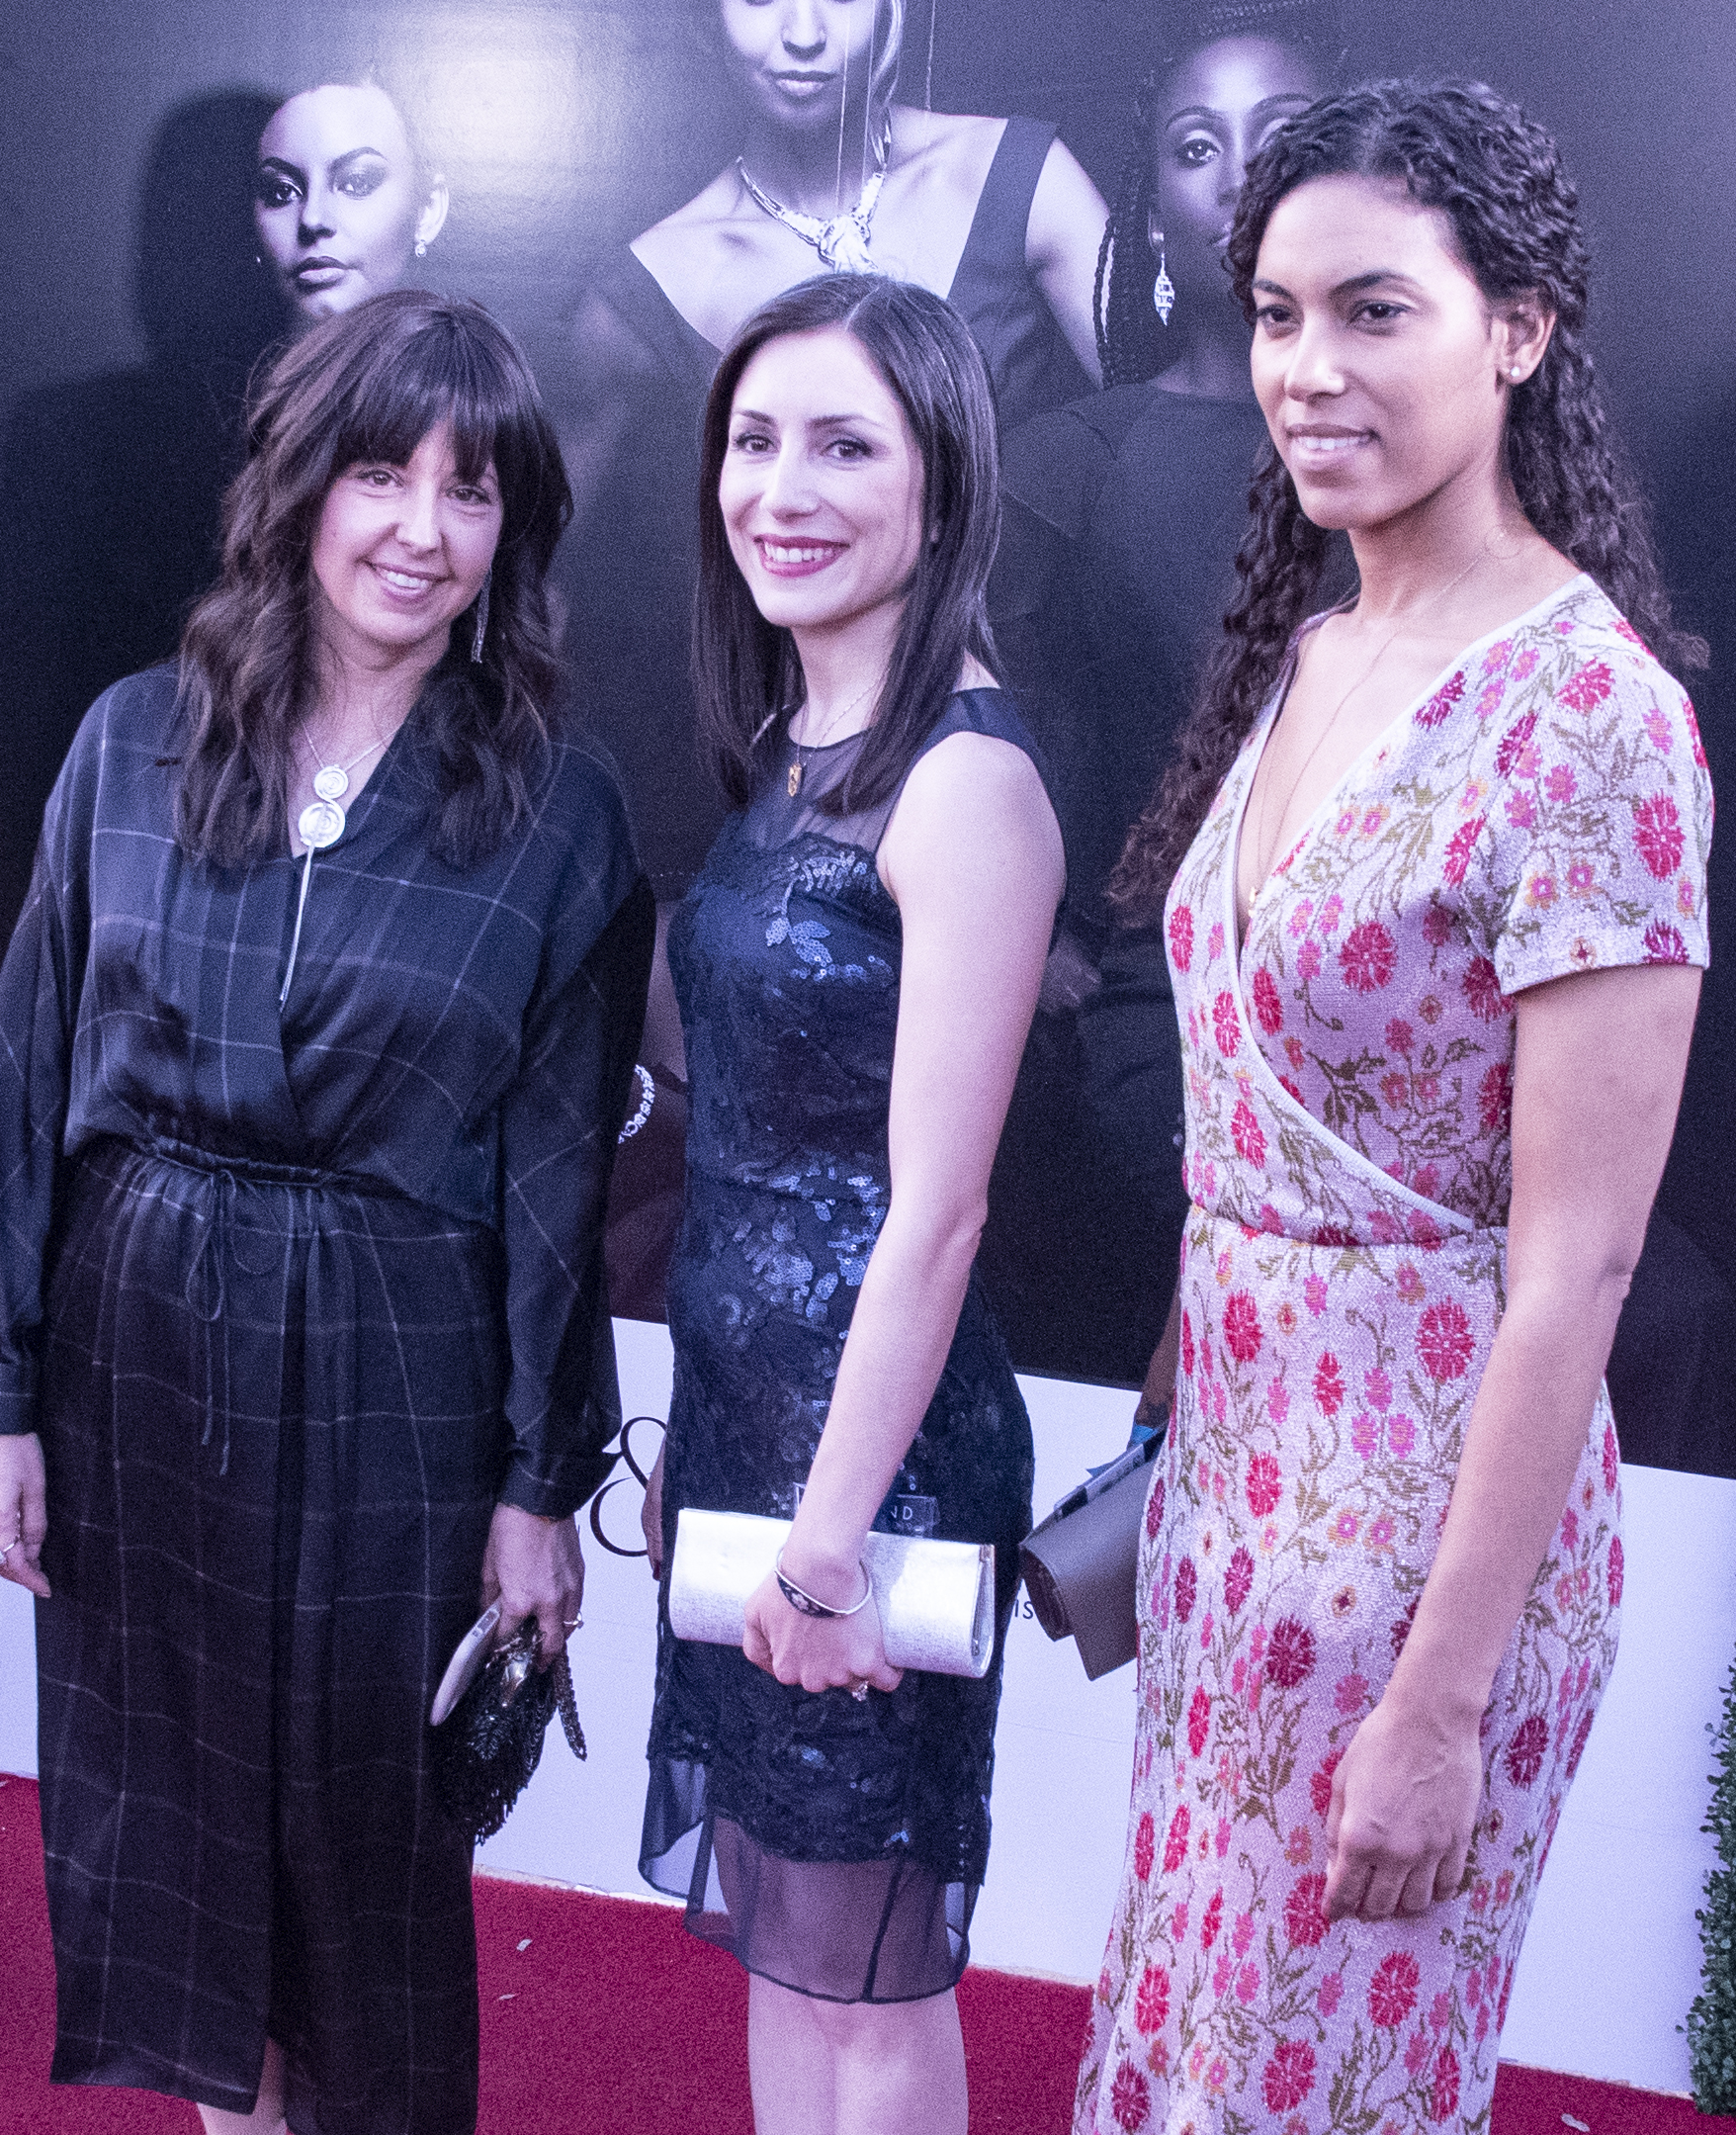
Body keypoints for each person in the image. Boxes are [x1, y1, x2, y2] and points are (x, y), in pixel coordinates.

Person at [1075, 82, 1711, 2135]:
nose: (1303, 366)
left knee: (1306, 2098)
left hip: (1422, 1566)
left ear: (1515, 328)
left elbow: (1577, 1261)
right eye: (1270, 312)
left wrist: (1436, 1699)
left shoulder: (1589, 710)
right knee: (1173, 2068)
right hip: (1230, 1511)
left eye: (1369, 309)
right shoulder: (1315, 640)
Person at [0, 289, 653, 2135]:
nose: (422, 527)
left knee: (362, 1868)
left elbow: (554, 1179)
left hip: (394, 1393)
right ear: (296, 489)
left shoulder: (561, 816)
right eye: (378, 471)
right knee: (178, 1839)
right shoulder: (129, 745)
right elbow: (30, 1086)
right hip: (136, 1365)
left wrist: (533, 1490)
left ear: (516, 533)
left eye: (472, 490)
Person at [636, 273, 1065, 2134]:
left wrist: (822, 1535)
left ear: (939, 483)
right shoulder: (793, 759)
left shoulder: (963, 781)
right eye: (752, 439)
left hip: (862, 1472)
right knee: (786, 1946)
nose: (780, 488)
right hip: (748, 1436)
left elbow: (937, 1216)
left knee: (867, 1984)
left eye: (841, 444)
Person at [560, 0, 1107, 907]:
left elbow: (1167, 481)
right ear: (706, 6)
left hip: (1036, 801)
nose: (802, 32)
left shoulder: (1024, 184)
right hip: (768, 824)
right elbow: (534, 594)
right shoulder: (642, 288)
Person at [982, 0, 1338, 1380]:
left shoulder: (1405, 457)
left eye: (1282, 141)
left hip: (1373, 1018)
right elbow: (977, 735)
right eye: (1198, 146)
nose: (1241, 177)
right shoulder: (1074, 459)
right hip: (1148, 1036)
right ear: (1152, 193)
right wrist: (1045, 939)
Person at [254, 76, 450, 320]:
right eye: (283, 192)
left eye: (356, 183)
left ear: (428, 210)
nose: (312, 219)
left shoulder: (472, 356)